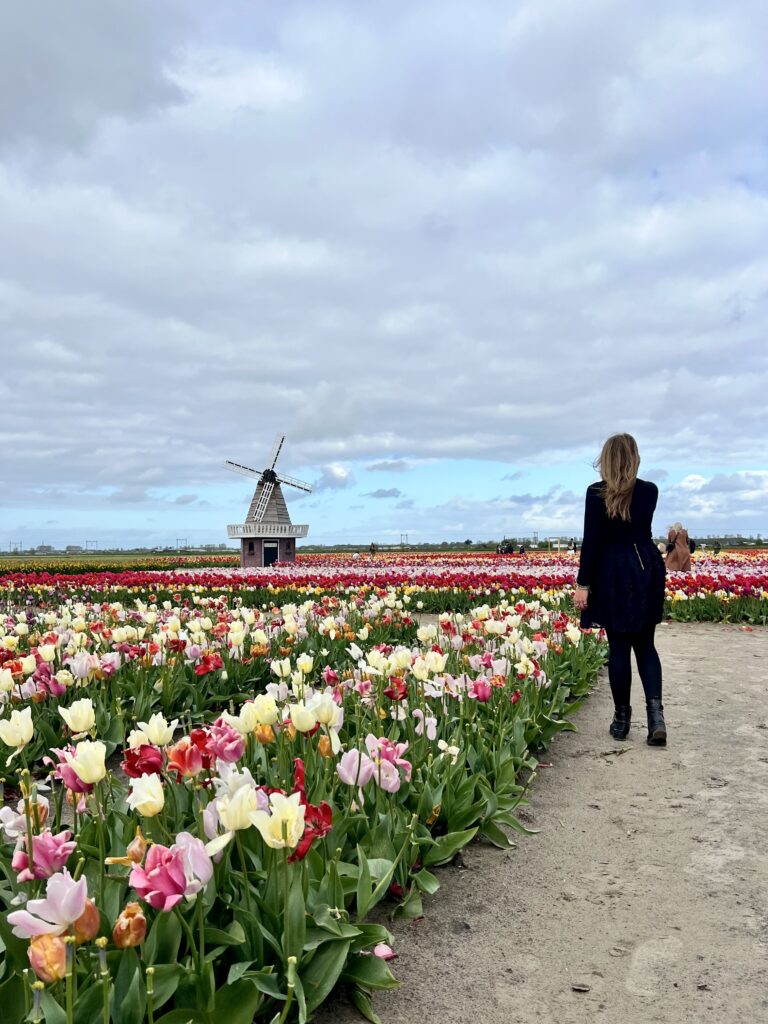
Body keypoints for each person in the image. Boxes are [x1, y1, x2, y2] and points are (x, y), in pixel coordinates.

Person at [573, 434, 667, 745]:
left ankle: (622, 719)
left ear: (606, 459)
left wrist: (583, 584)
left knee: (619, 648)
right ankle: (656, 719)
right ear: (634, 457)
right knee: (646, 646)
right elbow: (640, 529)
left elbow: (592, 541)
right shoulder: (649, 491)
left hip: (611, 570)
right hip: (644, 567)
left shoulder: (596, 493)